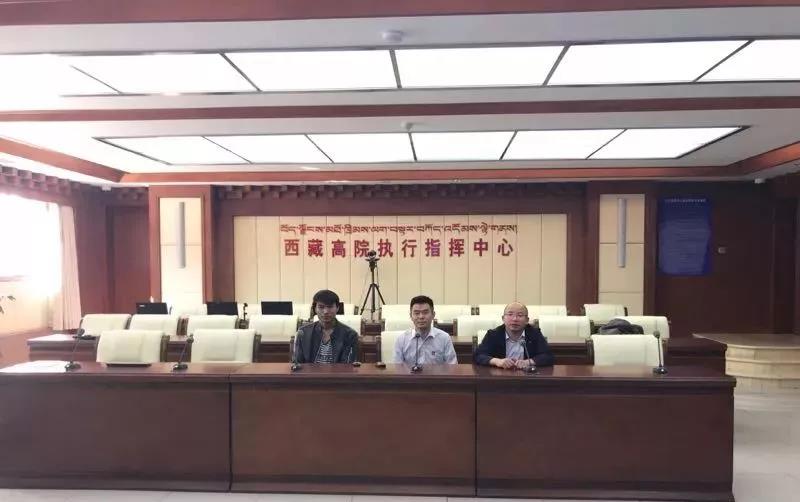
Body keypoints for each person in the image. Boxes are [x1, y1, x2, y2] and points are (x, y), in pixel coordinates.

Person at [474, 302, 554, 368]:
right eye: (510, 314)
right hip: (500, 377)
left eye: (520, 315)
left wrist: (528, 362)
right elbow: (478, 355)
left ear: (527, 320)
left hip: (527, 377)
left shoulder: (534, 334)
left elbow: (548, 356)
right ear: (503, 318)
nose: (515, 319)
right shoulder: (493, 335)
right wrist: (497, 361)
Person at [294, 289, 358, 363]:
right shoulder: (303, 333)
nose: (326, 312)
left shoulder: (350, 335)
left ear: (337, 308)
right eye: (321, 307)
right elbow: (297, 364)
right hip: (309, 371)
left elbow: (348, 365)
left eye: (330, 307)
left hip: (338, 371)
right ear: (315, 309)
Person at [393, 295, 457, 365]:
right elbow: (397, 368)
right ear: (411, 316)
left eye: (425, 312)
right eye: (417, 313)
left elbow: (452, 366)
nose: (421, 317)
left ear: (433, 315)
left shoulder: (444, 338)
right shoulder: (401, 340)